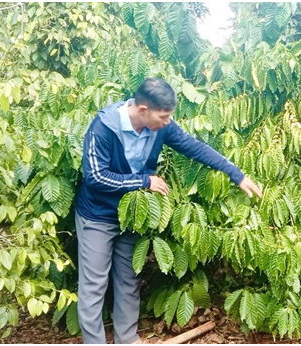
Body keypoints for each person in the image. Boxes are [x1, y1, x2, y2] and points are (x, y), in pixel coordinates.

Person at [74, 77, 262, 344]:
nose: (167, 122)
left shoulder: (161, 126)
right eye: (163, 116)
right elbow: (96, 177)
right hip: (97, 216)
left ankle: (127, 340)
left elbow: (195, 147)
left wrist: (236, 174)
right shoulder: (104, 127)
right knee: (94, 287)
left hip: (131, 218)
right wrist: (143, 181)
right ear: (142, 110)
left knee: (129, 281)